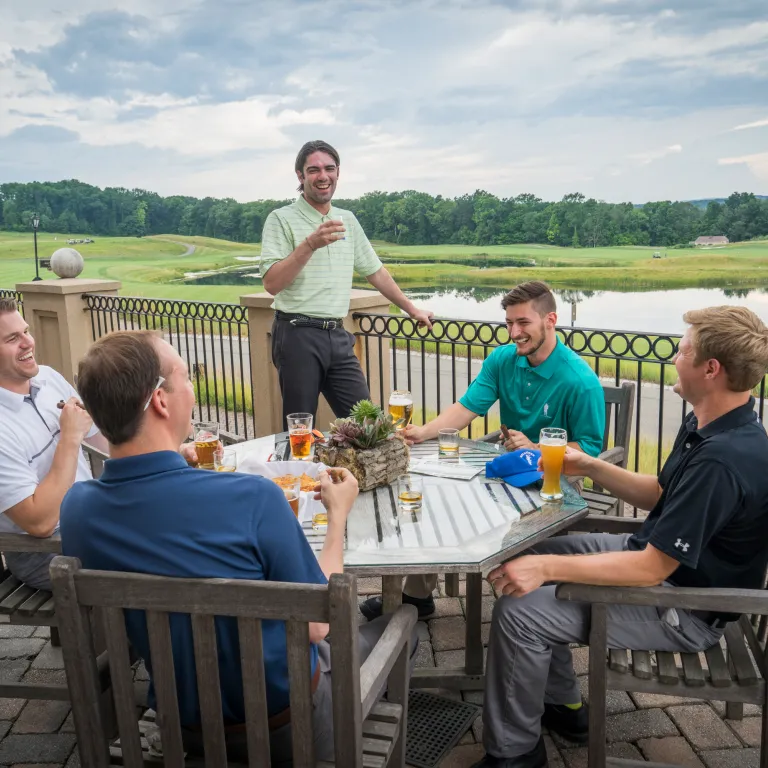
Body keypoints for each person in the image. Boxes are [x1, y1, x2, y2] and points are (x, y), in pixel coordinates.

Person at [60, 330, 417, 763]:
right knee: (402, 624)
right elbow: (319, 625)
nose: (192, 388)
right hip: (291, 731)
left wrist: (175, 457)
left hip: (183, 729)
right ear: (160, 401)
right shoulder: (253, 497)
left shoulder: (78, 510)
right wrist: (337, 517)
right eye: (186, 377)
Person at [470, 305, 768, 768]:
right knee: (528, 549)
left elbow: (652, 568)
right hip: (656, 564)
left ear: (711, 369)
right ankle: (562, 706)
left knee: (520, 608)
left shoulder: (723, 460)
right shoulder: (712, 425)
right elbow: (659, 495)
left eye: (683, 349)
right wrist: (589, 464)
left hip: (684, 607)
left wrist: (545, 570)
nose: (674, 357)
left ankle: (514, 755)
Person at [360, 281, 605, 622]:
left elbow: (590, 451)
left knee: (482, 514)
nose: (514, 332)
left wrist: (536, 450)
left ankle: (538, 612)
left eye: (523, 323)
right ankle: (417, 596)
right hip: (506, 471)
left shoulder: (580, 381)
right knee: (438, 496)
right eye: (509, 323)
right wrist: (422, 433)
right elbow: (466, 407)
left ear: (550, 320)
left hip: (557, 480)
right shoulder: (503, 359)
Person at [260, 139, 434, 430]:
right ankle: (300, 475)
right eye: (313, 170)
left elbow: (375, 271)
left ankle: (362, 476)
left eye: (329, 168)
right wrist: (310, 244)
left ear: (338, 173)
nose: (322, 176)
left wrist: (411, 309)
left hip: (338, 335)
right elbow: (272, 283)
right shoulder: (281, 219)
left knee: (369, 426)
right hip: (296, 336)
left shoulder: (347, 220)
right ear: (300, 176)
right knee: (301, 430)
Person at [0, 298, 101, 589]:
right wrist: (69, 438)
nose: (27, 342)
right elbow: (40, 523)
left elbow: (99, 432)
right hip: (47, 554)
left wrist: (170, 453)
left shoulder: (48, 377)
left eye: (26, 331)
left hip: (93, 522)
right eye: (12, 338)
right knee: (161, 557)